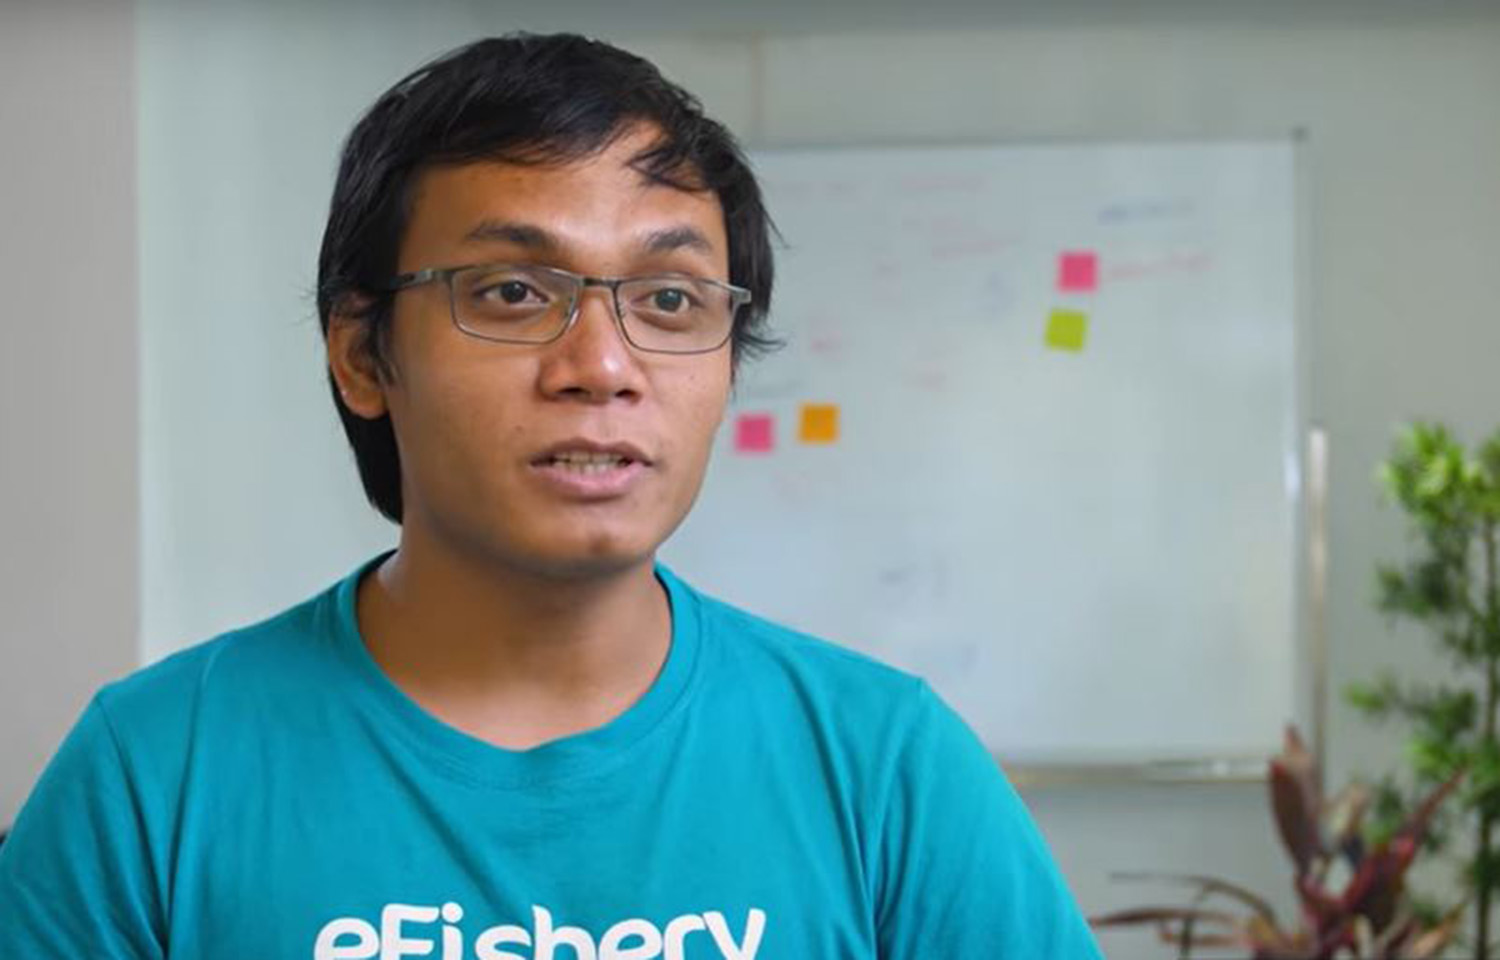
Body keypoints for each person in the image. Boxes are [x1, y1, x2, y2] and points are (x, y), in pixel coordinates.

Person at [0, 33, 1103, 959]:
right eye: (514, 291)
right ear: (362, 355)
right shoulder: (157, 772)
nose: (603, 365)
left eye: (669, 299)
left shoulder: (885, 768)